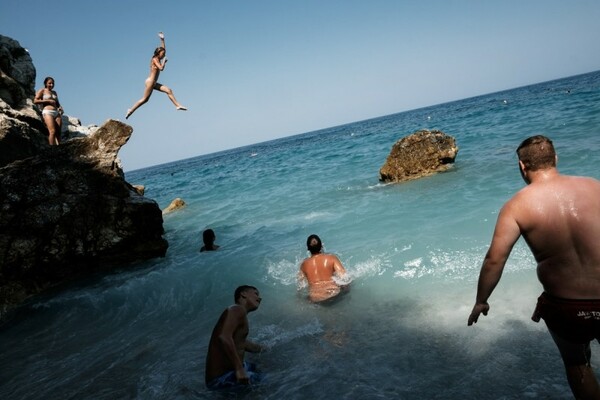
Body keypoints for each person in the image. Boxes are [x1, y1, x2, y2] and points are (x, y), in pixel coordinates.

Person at [467, 135, 600, 399]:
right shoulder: (594, 187)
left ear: (522, 166)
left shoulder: (516, 206)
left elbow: (495, 259)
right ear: (556, 159)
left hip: (566, 307)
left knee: (577, 364)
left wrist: (481, 300)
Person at [205, 285, 264, 390]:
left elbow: (241, 343)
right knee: (264, 381)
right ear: (243, 294)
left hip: (227, 373)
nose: (260, 298)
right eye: (256, 293)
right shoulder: (236, 309)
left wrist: (266, 348)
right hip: (221, 379)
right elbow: (224, 337)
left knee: (258, 367)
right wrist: (239, 369)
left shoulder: (240, 314)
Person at [126, 32, 187, 119]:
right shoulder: (155, 59)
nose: (164, 55)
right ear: (158, 53)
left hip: (154, 82)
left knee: (168, 90)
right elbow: (161, 68)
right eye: (162, 54)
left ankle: (178, 106)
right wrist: (164, 62)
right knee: (145, 99)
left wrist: (162, 40)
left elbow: (163, 49)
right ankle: (130, 110)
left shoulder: (159, 56)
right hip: (150, 82)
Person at [298, 234, 350, 303]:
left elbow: (300, 286)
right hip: (333, 294)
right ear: (321, 246)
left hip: (316, 299)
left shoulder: (303, 265)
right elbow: (344, 277)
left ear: (308, 248)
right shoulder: (332, 258)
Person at [34, 76, 63, 145]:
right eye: (49, 83)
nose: (51, 85)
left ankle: (60, 148)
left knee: (58, 132)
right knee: (52, 131)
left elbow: (57, 103)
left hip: (56, 112)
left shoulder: (54, 92)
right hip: (47, 112)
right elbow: (35, 101)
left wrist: (60, 107)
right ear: (46, 83)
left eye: (53, 83)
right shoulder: (42, 91)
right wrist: (48, 101)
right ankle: (51, 149)